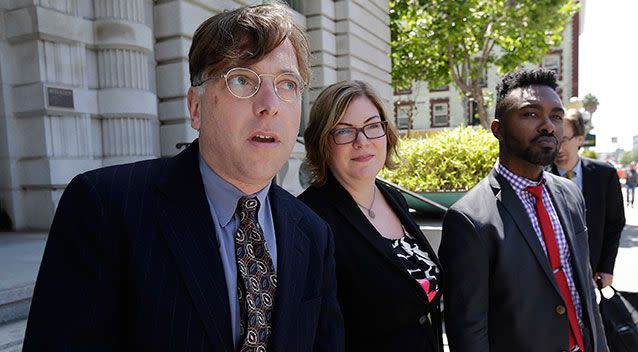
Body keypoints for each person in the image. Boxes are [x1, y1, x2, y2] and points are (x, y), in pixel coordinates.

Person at [23, 3, 344, 351]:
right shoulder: (104, 208)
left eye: (287, 84)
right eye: (241, 79)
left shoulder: (312, 233)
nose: (270, 104)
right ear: (196, 107)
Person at [440, 68, 607, 352]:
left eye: (556, 116)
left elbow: (586, 295)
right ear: (498, 130)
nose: (548, 126)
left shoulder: (570, 195)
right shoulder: (469, 219)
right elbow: (469, 329)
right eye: (530, 114)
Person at [298, 80, 443, 351]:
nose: (361, 141)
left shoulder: (393, 198)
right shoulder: (308, 220)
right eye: (343, 131)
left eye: (372, 126)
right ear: (322, 142)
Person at [551, 109, 625, 288]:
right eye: (554, 140)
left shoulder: (604, 174)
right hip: (552, 279)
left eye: (564, 140)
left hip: (593, 274)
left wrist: (607, 267)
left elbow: (614, 223)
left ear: (580, 139)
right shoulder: (538, 176)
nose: (558, 148)